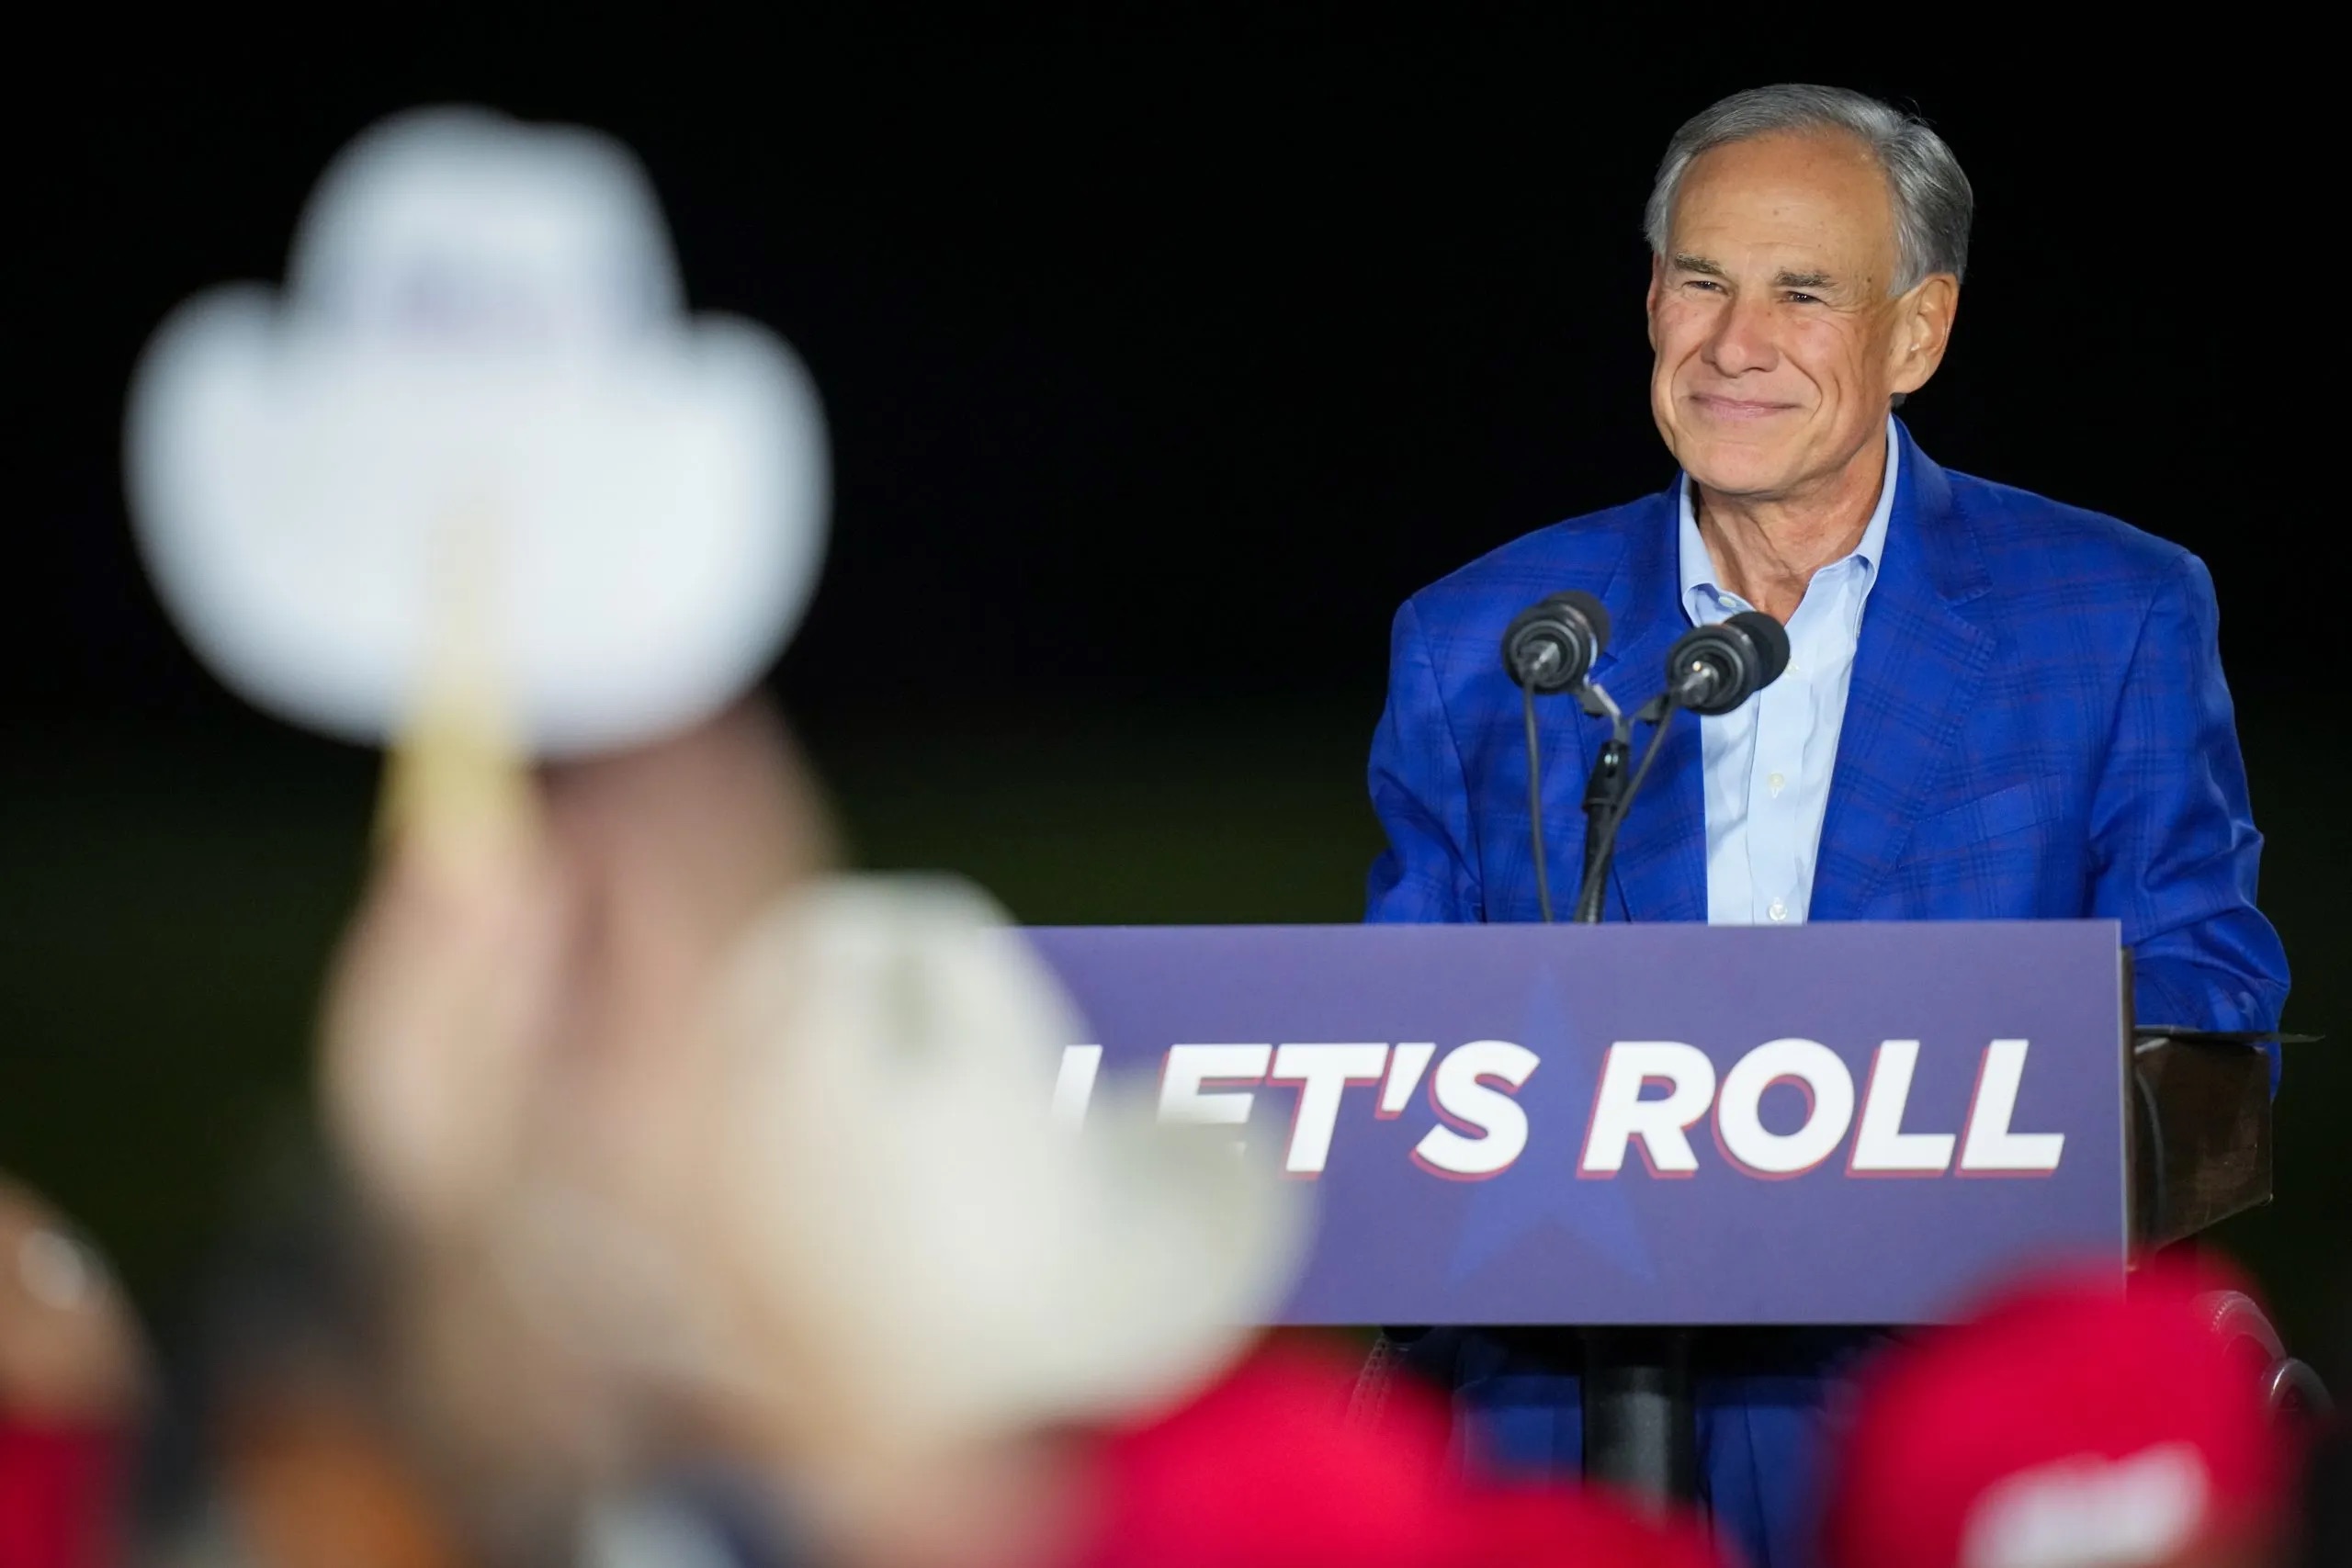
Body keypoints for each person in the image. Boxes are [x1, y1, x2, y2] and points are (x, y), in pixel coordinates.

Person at [1363, 83, 2290, 1568]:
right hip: (1560, 1413)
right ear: (1651, 299)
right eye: (1702, 281)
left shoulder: (2111, 610)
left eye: (1803, 292)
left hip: (1944, 1400)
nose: (1736, 344)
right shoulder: (1483, 640)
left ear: (1916, 332)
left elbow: (2205, 1001)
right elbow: (1396, 1055)